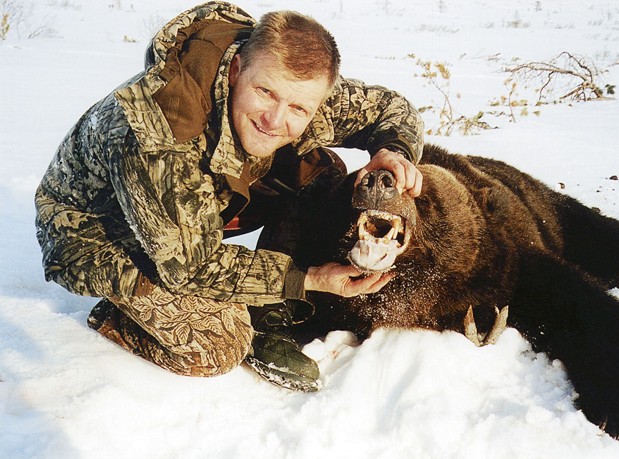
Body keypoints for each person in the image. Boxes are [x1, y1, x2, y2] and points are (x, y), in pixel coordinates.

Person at [35, 1, 423, 391]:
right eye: (265, 92)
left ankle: (270, 309)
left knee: (322, 172)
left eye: (298, 107)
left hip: (185, 209)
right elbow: (192, 266)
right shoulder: (161, 134)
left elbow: (393, 109)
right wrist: (307, 278)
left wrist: (393, 151)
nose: (275, 118)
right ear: (237, 69)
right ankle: (119, 315)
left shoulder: (290, 82)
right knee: (220, 346)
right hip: (96, 233)